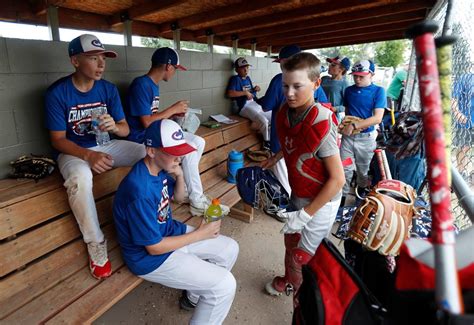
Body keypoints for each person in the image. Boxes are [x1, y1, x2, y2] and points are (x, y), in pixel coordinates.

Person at [113, 119, 239, 324]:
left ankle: (193, 297)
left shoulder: (159, 167)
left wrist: (179, 175)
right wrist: (199, 234)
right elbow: (154, 248)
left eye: (180, 150)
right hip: (148, 259)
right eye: (174, 151)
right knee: (224, 286)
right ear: (151, 150)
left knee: (229, 248)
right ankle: (207, 295)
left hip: (169, 231)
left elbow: (178, 198)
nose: (179, 157)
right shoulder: (139, 189)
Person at [44, 34, 146, 279]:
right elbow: (57, 140)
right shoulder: (57, 93)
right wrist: (87, 155)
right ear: (75, 61)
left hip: (106, 145)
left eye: (103, 58)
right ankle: (96, 243)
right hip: (73, 151)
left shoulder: (108, 89)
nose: (101, 64)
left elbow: (125, 129)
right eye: (93, 58)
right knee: (80, 179)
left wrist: (115, 127)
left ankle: (145, 217)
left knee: (145, 153)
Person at [262, 52, 345, 297]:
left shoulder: (321, 121)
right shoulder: (285, 113)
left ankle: (305, 301)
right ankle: (290, 281)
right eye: (285, 86)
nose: (289, 93)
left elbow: (337, 179)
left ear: (316, 83)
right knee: (290, 243)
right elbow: (294, 145)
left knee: (303, 255)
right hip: (299, 192)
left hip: (322, 201)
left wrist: (306, 214)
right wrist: (275, 158)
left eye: (297, 86)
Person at [125, 47, 229, 216]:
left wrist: (174, 114)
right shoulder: (141, 84)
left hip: (153, 133)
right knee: (188, 148)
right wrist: (172, 109)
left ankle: (189, 191)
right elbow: (146, 122)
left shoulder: (153, 85)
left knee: (198, 142)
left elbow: (153, 117)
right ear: (168, 66)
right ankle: (196, 199)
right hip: (142, 138)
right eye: (175, 69)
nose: (174, 73)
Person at [259, 45, 330, 211]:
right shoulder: (309, 81)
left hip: (285, 141)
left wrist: (306, 214)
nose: (290, 93)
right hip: (301, 145)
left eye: (282, 62)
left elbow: (266, 106)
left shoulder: (279, 80)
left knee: (289, 180)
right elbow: (327, 105)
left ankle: (285, 209)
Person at [339, 60, 386, 207]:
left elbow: (377, 117)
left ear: (371, 74)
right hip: (348, 138)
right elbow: (348, 112)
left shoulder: (378, 91)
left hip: (365, 139)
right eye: (355, 76)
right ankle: (341, 201)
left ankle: (360, 198)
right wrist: (345, 124)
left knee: (362, 171)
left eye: (361, 76)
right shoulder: (349, 90)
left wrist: (354, 125)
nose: (357, 79)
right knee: (344, 168)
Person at [226, 57, 272, 148]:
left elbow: (250, 92)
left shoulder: (248, 78)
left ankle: (272, 138)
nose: (246, 69)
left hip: (254, 104)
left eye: (247, 67)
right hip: (244, 107)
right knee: (263, 120)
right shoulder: (235, 79)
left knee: (272, 114)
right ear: (236, 69)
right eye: (243, 67)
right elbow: (230, 93)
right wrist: (245, 93)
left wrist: (255, 89)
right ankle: (267, 143)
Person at [452, 73, 473, 181]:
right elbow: (454, 98)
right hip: (466, 120)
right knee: (464, 147)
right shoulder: (465, 77)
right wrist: (457, 113)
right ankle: (461, 172)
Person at [321, 56, 351, 122]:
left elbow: (349, 105)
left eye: (333, 65)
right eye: (330, 64)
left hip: (333, 117)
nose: (329, 67)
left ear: (342, 69)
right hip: (319, 112)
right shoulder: (324, 79)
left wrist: (335, 108)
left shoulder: (344, 83)